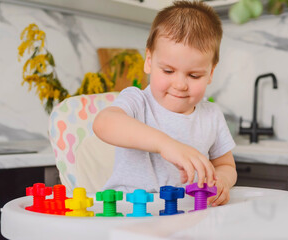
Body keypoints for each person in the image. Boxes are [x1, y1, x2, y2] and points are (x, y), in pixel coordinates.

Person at [93, 0, 237, 206]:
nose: (180, 84)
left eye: (194, 75)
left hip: (187, 215)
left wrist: (222, 180)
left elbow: (226, 165)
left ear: (210, 73)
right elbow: (104, 123)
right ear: (149, 61)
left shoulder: (211, 115)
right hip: (130, 213)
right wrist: (166, 144)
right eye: (168, 71)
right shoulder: (137, 100)